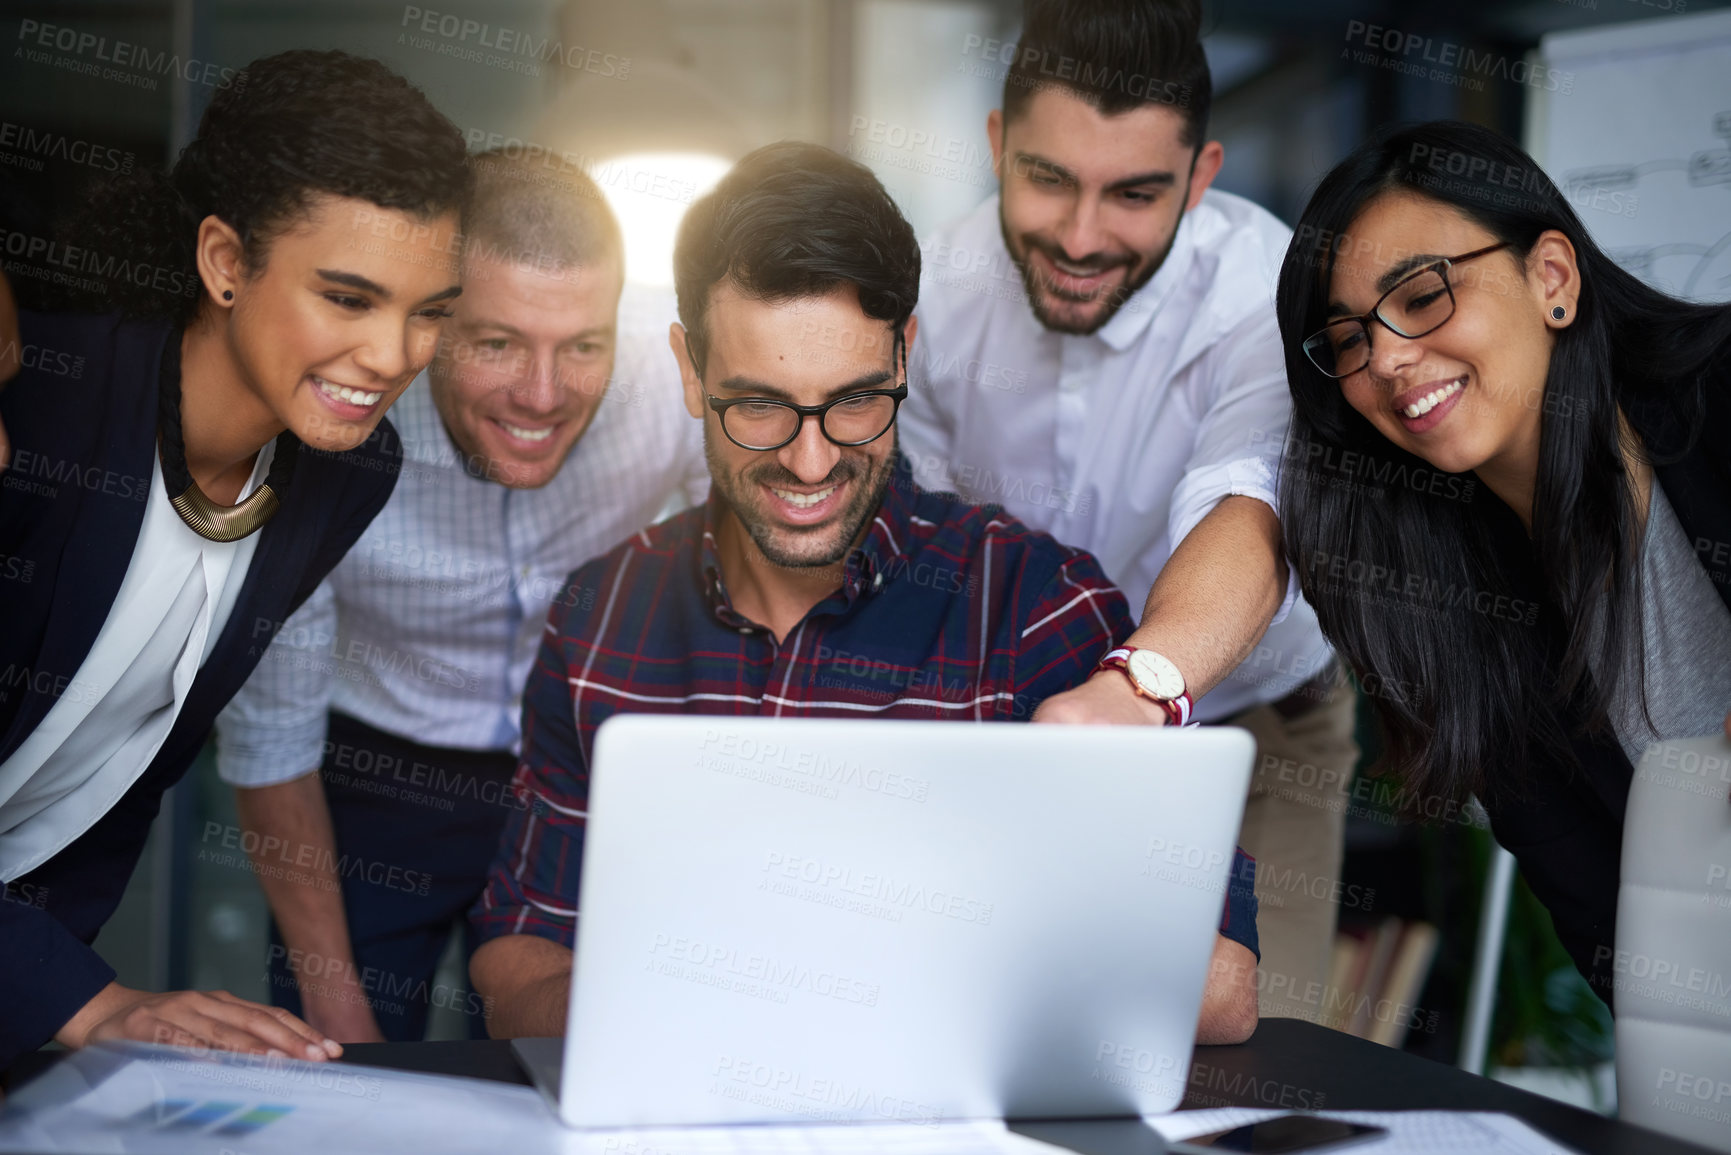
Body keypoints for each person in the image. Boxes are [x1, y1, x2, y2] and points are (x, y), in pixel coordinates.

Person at [466, 141, 1261, 1044]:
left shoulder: (1039, 607)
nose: (810, 463)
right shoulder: (600, 613)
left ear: (905, 354)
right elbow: (520, 943)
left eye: (852, 402)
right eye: (757, 405)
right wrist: (649, 1007)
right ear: (689, 371)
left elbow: (1217, 988)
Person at [0, 49, 468, 1065]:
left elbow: (125, 761)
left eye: (428, 310)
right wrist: (78, 1000)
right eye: (348, 299)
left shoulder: (349, 470)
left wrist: (51, 1007)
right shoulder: (35, 410)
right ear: (224, 261)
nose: (394, 357)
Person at [899, 0, 1354, 1021]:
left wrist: (1137, 687)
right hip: (1006, 716)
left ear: (1202, 176)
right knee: (993, 1025)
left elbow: (1250, 514)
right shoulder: (937, 283)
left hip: (1251, 721)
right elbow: (916, 534)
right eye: (1047, 178)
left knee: (1258, 1052)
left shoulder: (1267, 298)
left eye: (1135, 194)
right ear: (995, 146)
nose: (1079, 235)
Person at [213, 151, 706, 1043]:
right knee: (334, 1071)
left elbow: (753, 567)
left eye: (581, 347)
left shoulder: (670, 370)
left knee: (573, 1070)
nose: (542, 395)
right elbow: (270, 731)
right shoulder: (336, 418)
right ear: (435, 315)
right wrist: (336, 1008)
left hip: (584, 771)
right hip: (371, 778)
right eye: (496, 343)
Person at [1274, 118, 1731, 1006]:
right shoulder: (1456, 618)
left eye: (1421, 295)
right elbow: (1618, 948)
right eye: (1348, 340)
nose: (1390, 361)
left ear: (1551, 277)